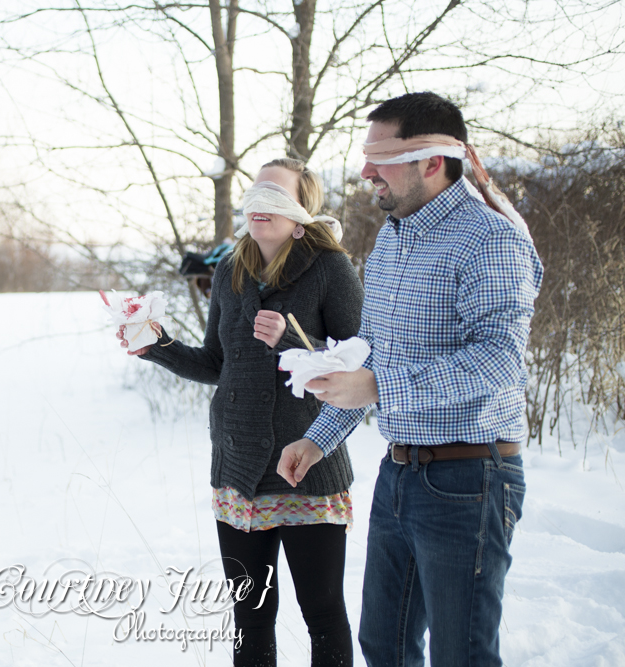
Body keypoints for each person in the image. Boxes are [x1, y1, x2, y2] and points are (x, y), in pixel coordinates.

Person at [276, 92, 544, 667]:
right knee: (384, 645)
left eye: (382, 157)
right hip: (400, 474)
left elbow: (500, 361)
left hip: (471, 478)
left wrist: (376, 388)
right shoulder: (393, 237)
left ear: (432, 160)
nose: (367, 170)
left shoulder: (490, 240)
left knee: (460, 655)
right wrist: (317, 438)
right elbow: (368, 360)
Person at [119, 158, 364, 667]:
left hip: (307, 470)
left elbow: (357, 364)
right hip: (237, 474)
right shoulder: (231, 268)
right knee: (250, 617)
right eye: (255, 194)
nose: (260, 205)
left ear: (300, 216)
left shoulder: (330, 269)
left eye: (275, 196)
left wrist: (292, 340)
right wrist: (155, 344)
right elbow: (216, 363)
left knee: (322, 613)